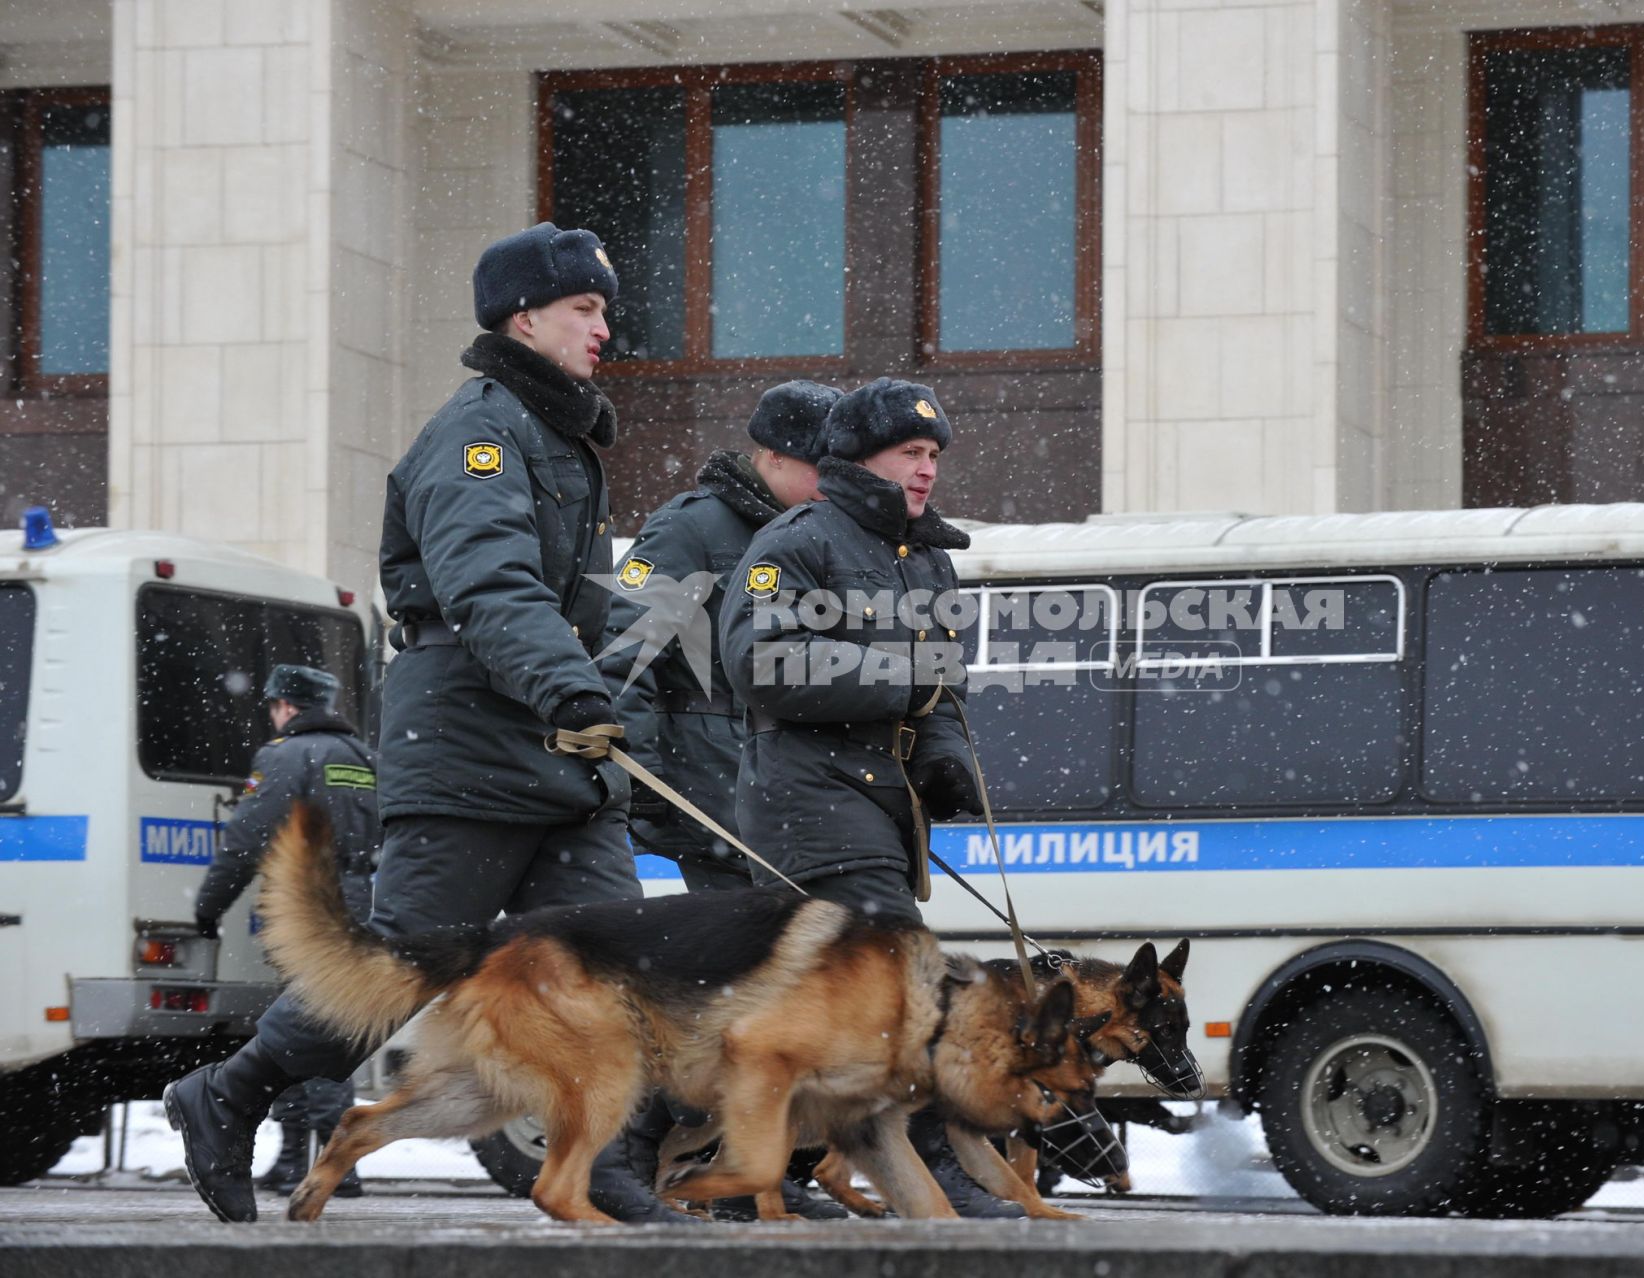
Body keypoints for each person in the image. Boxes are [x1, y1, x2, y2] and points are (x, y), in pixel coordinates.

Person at [165, 222, 687, 1225]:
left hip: (558, 756)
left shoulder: (561, 443)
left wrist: (656, 686)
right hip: (468, 744)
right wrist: (571, 690)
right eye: (586, 308)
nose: (604, 329)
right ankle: (224, 1094)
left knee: (615, 962)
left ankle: (609, 1161)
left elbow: (582, 601)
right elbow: (488, 588)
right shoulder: (479, 433)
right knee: (399, 968)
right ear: (523, 316)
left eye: (605, 309)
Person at [717, 377, 1017, 1218]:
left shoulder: (925, 556)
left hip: (880, 805)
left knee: (810, 1013)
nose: (925, 471)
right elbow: (761, 663)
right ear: (857, 458)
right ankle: (939, 1173)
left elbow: (944, 687)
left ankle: (735, 1173)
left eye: (932, 456)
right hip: (807, 801)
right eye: (908, 454)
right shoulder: (798, 541)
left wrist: (949, 759)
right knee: (903, 985)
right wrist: (902, 678)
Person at [598, 380, 849, 1223]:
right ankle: (644, 1157)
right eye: (820, 468)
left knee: (787, 1001)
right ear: (770, 456)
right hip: (714, 803)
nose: (833, 483)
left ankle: (756, 1175)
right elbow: (626, 665)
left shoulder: (813, 537)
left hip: (782, 802)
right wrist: (656, 791)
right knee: (734, 1000)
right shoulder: (692, 531)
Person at [192, 664, 378, 1200]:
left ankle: (331, 1161)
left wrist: (209, 907)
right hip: (363, 901)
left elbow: (246, 840)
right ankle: (297, 1156)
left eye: (273, 706)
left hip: (310, 902)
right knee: (327, 1021)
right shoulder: (367, 759)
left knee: (311, 1025)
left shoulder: (284, 756)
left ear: (285, 706)